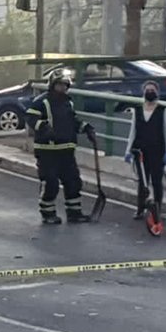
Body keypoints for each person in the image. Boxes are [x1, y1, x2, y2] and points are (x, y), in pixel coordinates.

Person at [24, 71, 96, 225]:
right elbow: (30, 117)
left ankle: (74, 213)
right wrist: (43, 127)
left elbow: (72, 120)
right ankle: (48, 213)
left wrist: (86, 128)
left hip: (66, 150)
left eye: (65, 85)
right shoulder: (41, 102)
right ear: (52, 85)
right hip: (47, 151)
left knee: (73, 182)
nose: (62, 88)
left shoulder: (68, 102)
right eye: (59, 85)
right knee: (51, 183)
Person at [123, 81, 166, 218]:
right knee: (142, 181)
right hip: (140, 150)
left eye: (152, 90)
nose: (150, 92)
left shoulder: (163, 110)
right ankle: (140, 208)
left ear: (157, 92)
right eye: (147, 90)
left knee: (157, 181)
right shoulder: (137, 110)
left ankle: (157, 208)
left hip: (157, 150)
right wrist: (128, 151)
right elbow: (133, 131)